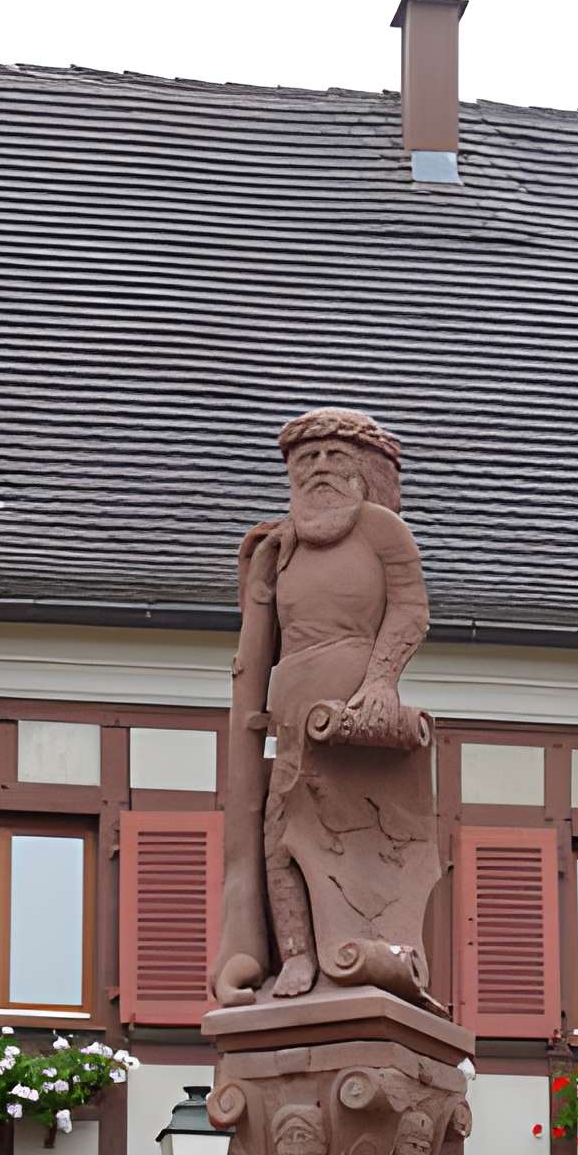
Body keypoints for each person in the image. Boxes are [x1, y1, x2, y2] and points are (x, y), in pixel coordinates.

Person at [212, 409, 442, 1008]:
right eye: (305, 459)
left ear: (364, 472)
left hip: (353, 712)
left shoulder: (379, 529)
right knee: (279, 836)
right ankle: (297, 956)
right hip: (290, 711)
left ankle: (350, 948)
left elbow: (410, 610)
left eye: (334, 457)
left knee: (348, 831)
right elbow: (257, 645)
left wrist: (382, 683)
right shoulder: (280, 543)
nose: (318, 468)